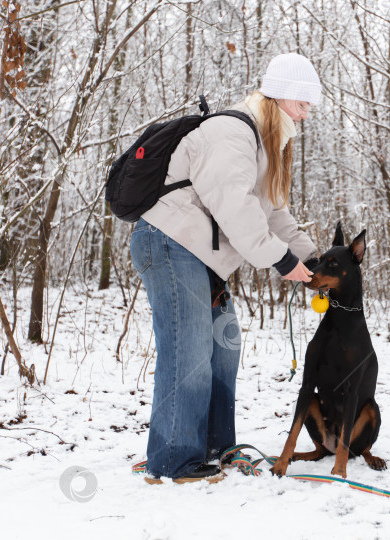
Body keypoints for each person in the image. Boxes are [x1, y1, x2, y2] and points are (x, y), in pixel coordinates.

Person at [130, 53, 322, 484]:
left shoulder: (260, 145)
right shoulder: (231, 134)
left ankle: (215, 446)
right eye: (303, 103)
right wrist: (281, 261)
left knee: (224, 345)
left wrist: (312, 259)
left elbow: (273, 215)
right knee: (190, 349)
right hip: (169, 242)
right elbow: (235, 209)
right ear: (279, 97)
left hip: (199, 254)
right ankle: (175, 458)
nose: (307, 113)